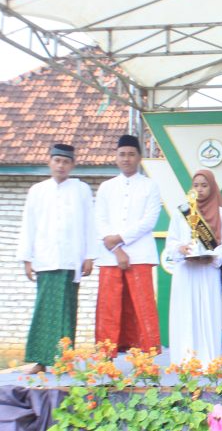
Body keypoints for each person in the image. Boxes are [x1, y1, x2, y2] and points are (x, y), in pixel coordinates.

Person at [17, 144, 96, 373]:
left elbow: (90, 223)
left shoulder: (81, 190)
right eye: (57, 161)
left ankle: (65, 361)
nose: (61, 165)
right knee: (43, 311)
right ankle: (40, 361)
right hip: (45, 259)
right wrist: (27, 259)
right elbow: (28, 224)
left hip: (71, 260)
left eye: (66, 162)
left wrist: (90, 256)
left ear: (72, 165)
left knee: (67, 312)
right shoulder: (37, 190)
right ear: (49, 162)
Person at [95, 135, 162, 356]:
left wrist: (120, 238)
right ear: (116, 157)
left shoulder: (150, 186)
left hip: (140, 255)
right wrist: (117, 250)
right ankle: (106, 361)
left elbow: (149, 221)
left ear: (139, 158)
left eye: (131, 154)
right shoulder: (106, 187)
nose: (126, 159)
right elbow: (100, 221)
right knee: (109, 307)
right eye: (122, 154)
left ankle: (145, 362)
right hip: (109, 257)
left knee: (142, 307)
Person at [166, 170, 222, 367]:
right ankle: (185, 359)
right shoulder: (182, 212)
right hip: (185, 271)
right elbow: (171, 242)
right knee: (186, 312)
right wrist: (181, 249)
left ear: (212, 187)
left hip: (207, 271)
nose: (200, 189)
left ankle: (208, 360)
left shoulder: (221, 214)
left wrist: (210, 257)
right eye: (196, 185)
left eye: (204, 185)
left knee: (207, 313)